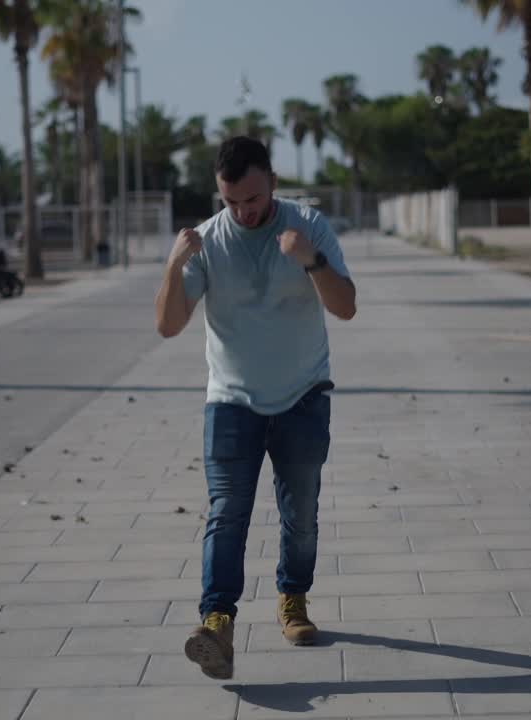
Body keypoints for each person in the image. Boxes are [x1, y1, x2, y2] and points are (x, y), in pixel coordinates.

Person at [153, 136, 357, 680]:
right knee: (226, 512)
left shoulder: (307, 225)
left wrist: (310, 261)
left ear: (272, 181)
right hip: (231, 401)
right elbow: (168, 325)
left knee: (303, 517)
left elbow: (346, 307)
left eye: (253, 198)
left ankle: (293, 596)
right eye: (231, 201)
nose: (244, 211)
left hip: (303, 397)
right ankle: (217, 623)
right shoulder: (210, 240)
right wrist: (174, 266)